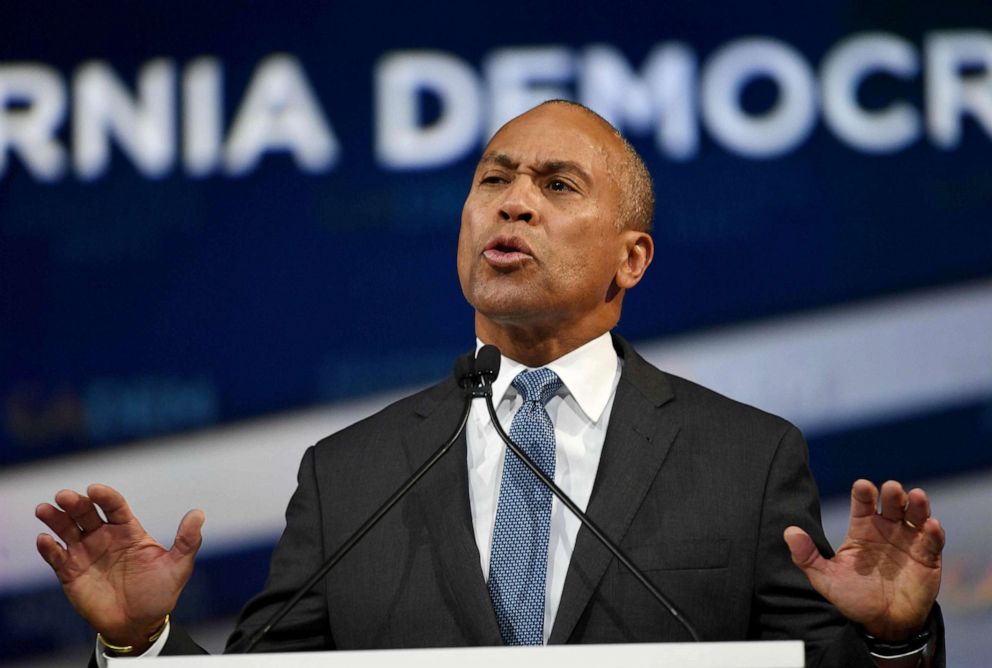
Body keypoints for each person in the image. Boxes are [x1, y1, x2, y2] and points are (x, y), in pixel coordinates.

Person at [35, 100, 945, 667]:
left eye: (557, 185)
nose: (514, 202)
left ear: (631, 259)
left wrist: (894, 642)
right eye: (495, 180)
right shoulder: (348, 475)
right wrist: (139, 643)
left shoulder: (744, 459)